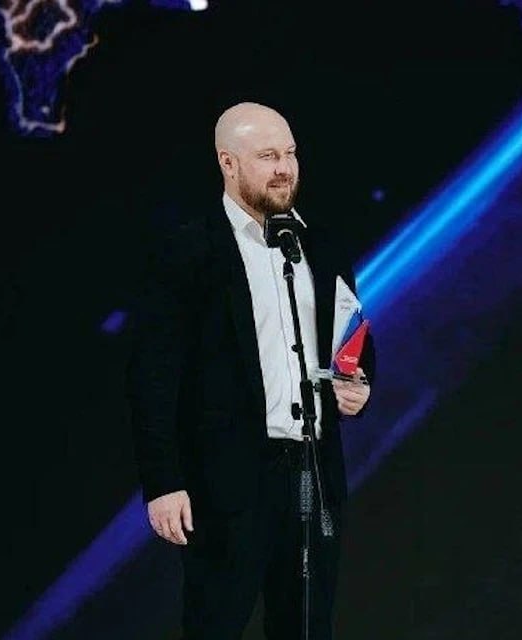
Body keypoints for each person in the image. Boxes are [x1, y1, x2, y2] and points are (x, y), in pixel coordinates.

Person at [126, 101, 376, 640]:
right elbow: (152, 377)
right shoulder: (189, 251)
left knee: (307, 627)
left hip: (313, 473)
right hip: (227, 485)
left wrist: (357, 385)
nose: (284, 168)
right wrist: (164, 482)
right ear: (228, 162)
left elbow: (352, 335)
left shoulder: (320, 244)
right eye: (267, 156)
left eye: (290, 154)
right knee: (215, 625)